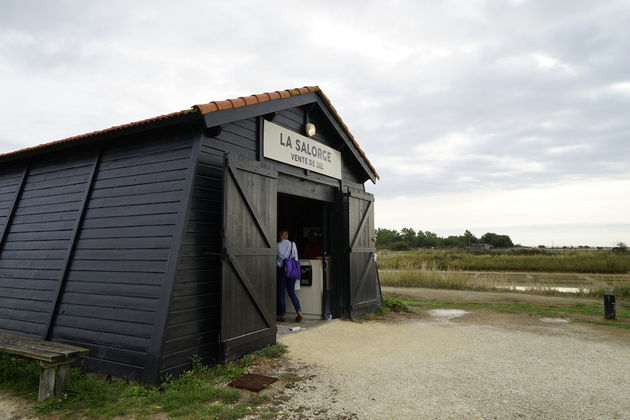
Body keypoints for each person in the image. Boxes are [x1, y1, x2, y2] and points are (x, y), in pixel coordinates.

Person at [276, 230, 303, 322]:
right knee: (291, 292)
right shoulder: (292, 244)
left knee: (281, 293)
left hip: (281, 270)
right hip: (291, 269)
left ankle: (282, 315)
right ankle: (299, 312)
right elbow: (295, 257)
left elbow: (278, 258)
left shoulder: (277, 245)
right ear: (286, 235)